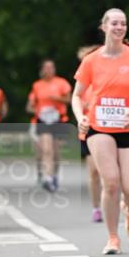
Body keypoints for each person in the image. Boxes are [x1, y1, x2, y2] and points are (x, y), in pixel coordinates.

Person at [72, 8, 129, 255]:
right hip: (99, 127)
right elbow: (76, 96)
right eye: (114, 23)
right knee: (111, 181)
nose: (119, 27)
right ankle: (112, 237)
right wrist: (81, 118)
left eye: (123, 24)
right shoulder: (91, 60)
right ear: (104, 27)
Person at [26, 60, 72, 191]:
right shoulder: (37, 85)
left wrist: (56, 99)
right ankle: (48, 178)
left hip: (58, 120)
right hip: (43, 120)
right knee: (46, 150)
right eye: (46, 67)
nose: (49, 70)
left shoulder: (61, 83)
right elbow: (30, 105)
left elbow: (69, 99)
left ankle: (54, 175)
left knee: (56, 153)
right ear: (42, 70)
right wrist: (38, 110)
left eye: (51, 67)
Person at [76, 46, 103, 222]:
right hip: (89, 130)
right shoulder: (83, 84)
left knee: (110, 171)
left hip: (110, 130)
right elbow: (76, 101)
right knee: (93, 171)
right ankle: (96, 207)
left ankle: (118, 200)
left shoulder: (105, 79)